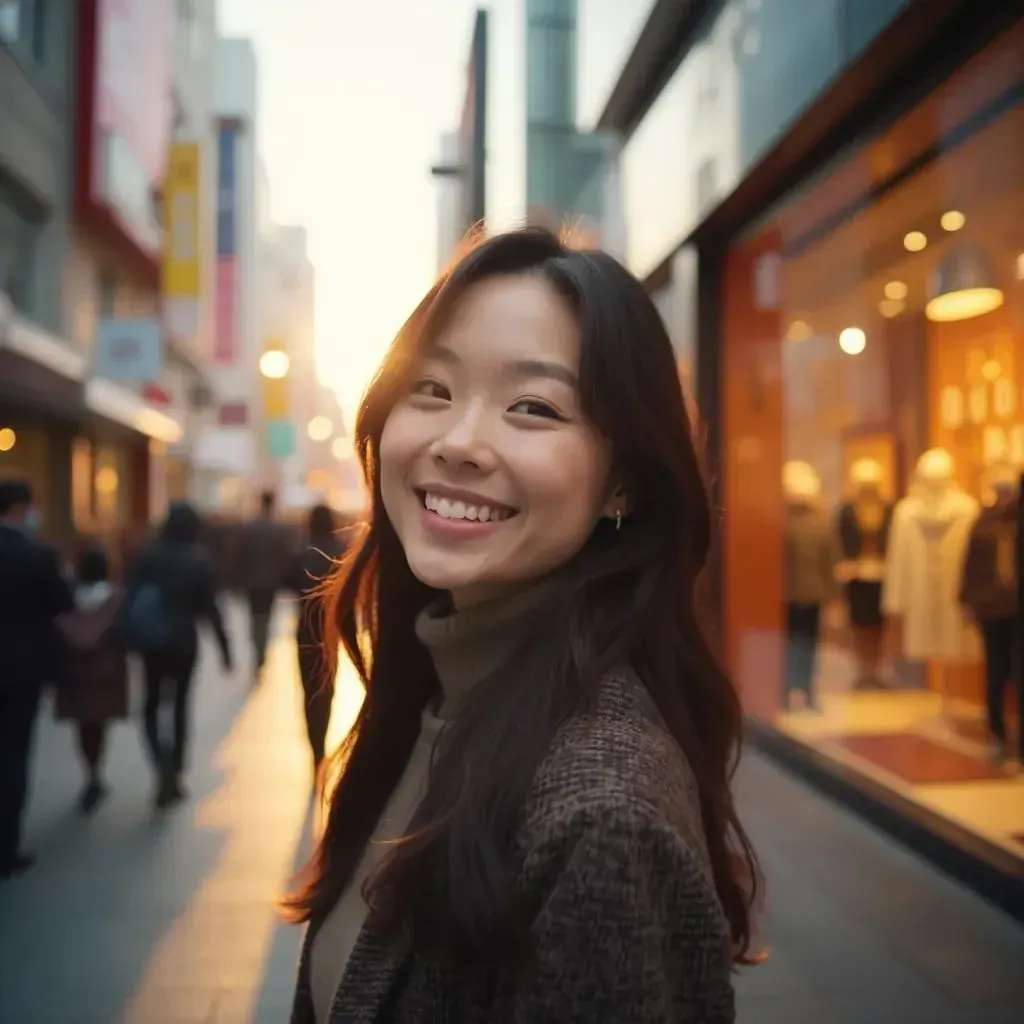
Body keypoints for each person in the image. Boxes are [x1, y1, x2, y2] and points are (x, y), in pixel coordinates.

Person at [284, 228, 761, 1022]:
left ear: (624, 484)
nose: (459, 442)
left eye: (533, 407)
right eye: (431, 389)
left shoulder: (601, 817)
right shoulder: (432, 698)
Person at [125, 501, 233, 809]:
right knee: (181, 706)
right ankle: (177, 768)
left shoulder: (149, 556)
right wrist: (225, 648)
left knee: (151, 704)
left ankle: (161, 762)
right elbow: (211, 608)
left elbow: (131, 597)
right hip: (184, 642)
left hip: (152, 641)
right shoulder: (200, 559)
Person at [0, 480, 73, 879]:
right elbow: (63, 602)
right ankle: (6, 847)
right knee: (13, 757)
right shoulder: (37, 556)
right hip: (22, 673)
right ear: (21, 507)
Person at [54, 544, 129, 814]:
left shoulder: (67, 598)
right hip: (104, 673)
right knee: (99, 724)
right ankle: (96, 772)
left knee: (82, 725)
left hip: (75, 673)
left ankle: (90, 772)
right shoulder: (116, 598)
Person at [288, 503, 347, 780]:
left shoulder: (302, 552)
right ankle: (321, 749)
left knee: (308, 693)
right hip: (332, 632)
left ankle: (316, 750)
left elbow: (287, 582)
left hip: (305, 632)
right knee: (328, 691)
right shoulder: (341, 552)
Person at [238, 489, 293, 679]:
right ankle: (261, 650)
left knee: (254, 617)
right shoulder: (278, 530)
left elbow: (239, 556)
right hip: (271, 582)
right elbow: (285, 558)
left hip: (251, 581)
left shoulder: (249, 528)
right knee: (266, 618)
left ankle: (257, 648)